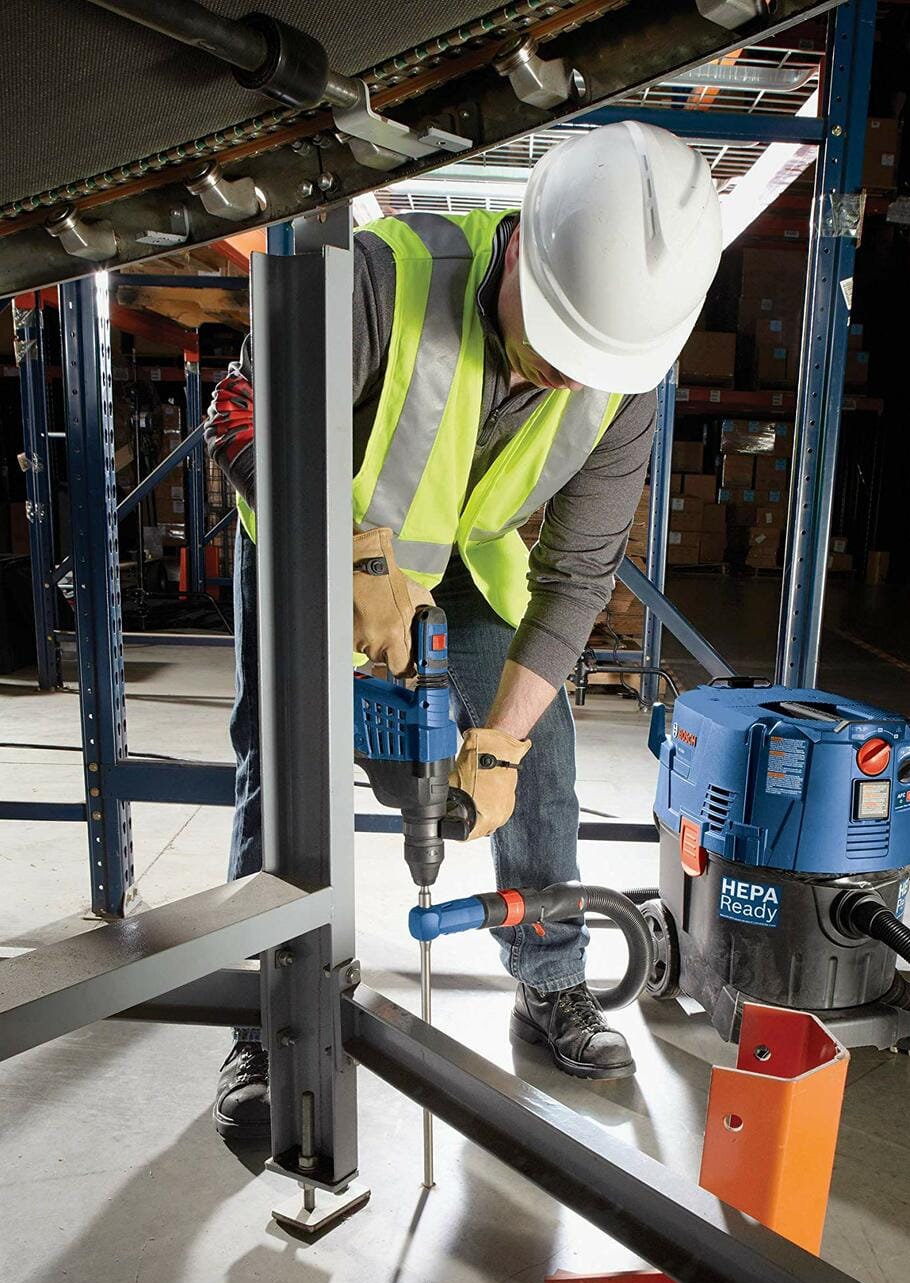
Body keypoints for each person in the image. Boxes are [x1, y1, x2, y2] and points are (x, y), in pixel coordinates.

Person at [206, 119, 723, 1141]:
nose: (566, 379)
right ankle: (267, 1016)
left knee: (545, 763)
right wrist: (339, 556)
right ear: (523, 246)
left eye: (591, 365)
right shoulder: (382, 276)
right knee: (282, 768)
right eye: (555, 344)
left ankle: (550, 980)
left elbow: (575, 579)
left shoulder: (622, 379)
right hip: (312, 540)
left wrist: (502, 740)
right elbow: (237, 413)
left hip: (463, 562)